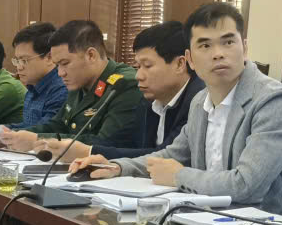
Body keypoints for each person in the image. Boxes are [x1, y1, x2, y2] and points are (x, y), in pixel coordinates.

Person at [71, 2, 282, 211]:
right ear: (190, 59)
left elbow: (247, 186)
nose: (218, 54)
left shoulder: (272, 101)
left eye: (228, 42)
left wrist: (179, 176)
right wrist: (117, 167)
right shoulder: (200, 101)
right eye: (205, 45)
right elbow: (172, 155)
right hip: (208, 218)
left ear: (245, 48)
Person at [0, 20, 141, 152]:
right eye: (58, 65)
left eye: (65, 63)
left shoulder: (124, 84)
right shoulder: (79, 82)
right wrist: (11, 135)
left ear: (91, 55)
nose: (60, 73)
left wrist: (38, 140)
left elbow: (106, 142)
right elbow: (57, 125)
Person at [53, 21, 204, 163]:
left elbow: (166, 155)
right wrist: (76, 148)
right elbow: (122, 141)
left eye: (147, 66)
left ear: (179, 64)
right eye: (138, 66)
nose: (138, 75)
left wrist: (89, 152)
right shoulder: (149, 101)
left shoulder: (197, 102)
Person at [11, 22, 67, 128]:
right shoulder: (32, 87)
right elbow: (27, 126)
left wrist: (2, 134)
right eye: (17, 60)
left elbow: (44, 131)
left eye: (24, 60)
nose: (19, 67)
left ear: (49, 58)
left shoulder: (60, 89)